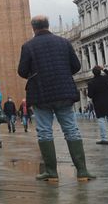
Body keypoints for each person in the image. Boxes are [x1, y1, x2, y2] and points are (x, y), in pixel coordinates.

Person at [18, 15, 94, 181]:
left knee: (45, 131)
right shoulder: (64, 43)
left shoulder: (28, 46)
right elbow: (76, 66)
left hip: (40, 93)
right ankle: (82, 171)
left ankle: (51, 172)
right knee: (71, 129)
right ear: (48, 25)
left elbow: (22, 71)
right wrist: (63, 74)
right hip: (63, 92)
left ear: (33, 28)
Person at [87, 66, 108, 145]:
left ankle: (104, 139)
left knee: (101, 121)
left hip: (99, 104)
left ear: (93, 73)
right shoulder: (106, 78)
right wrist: (104, 69)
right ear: (100, 72)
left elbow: (90, 95)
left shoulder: (91, 83)